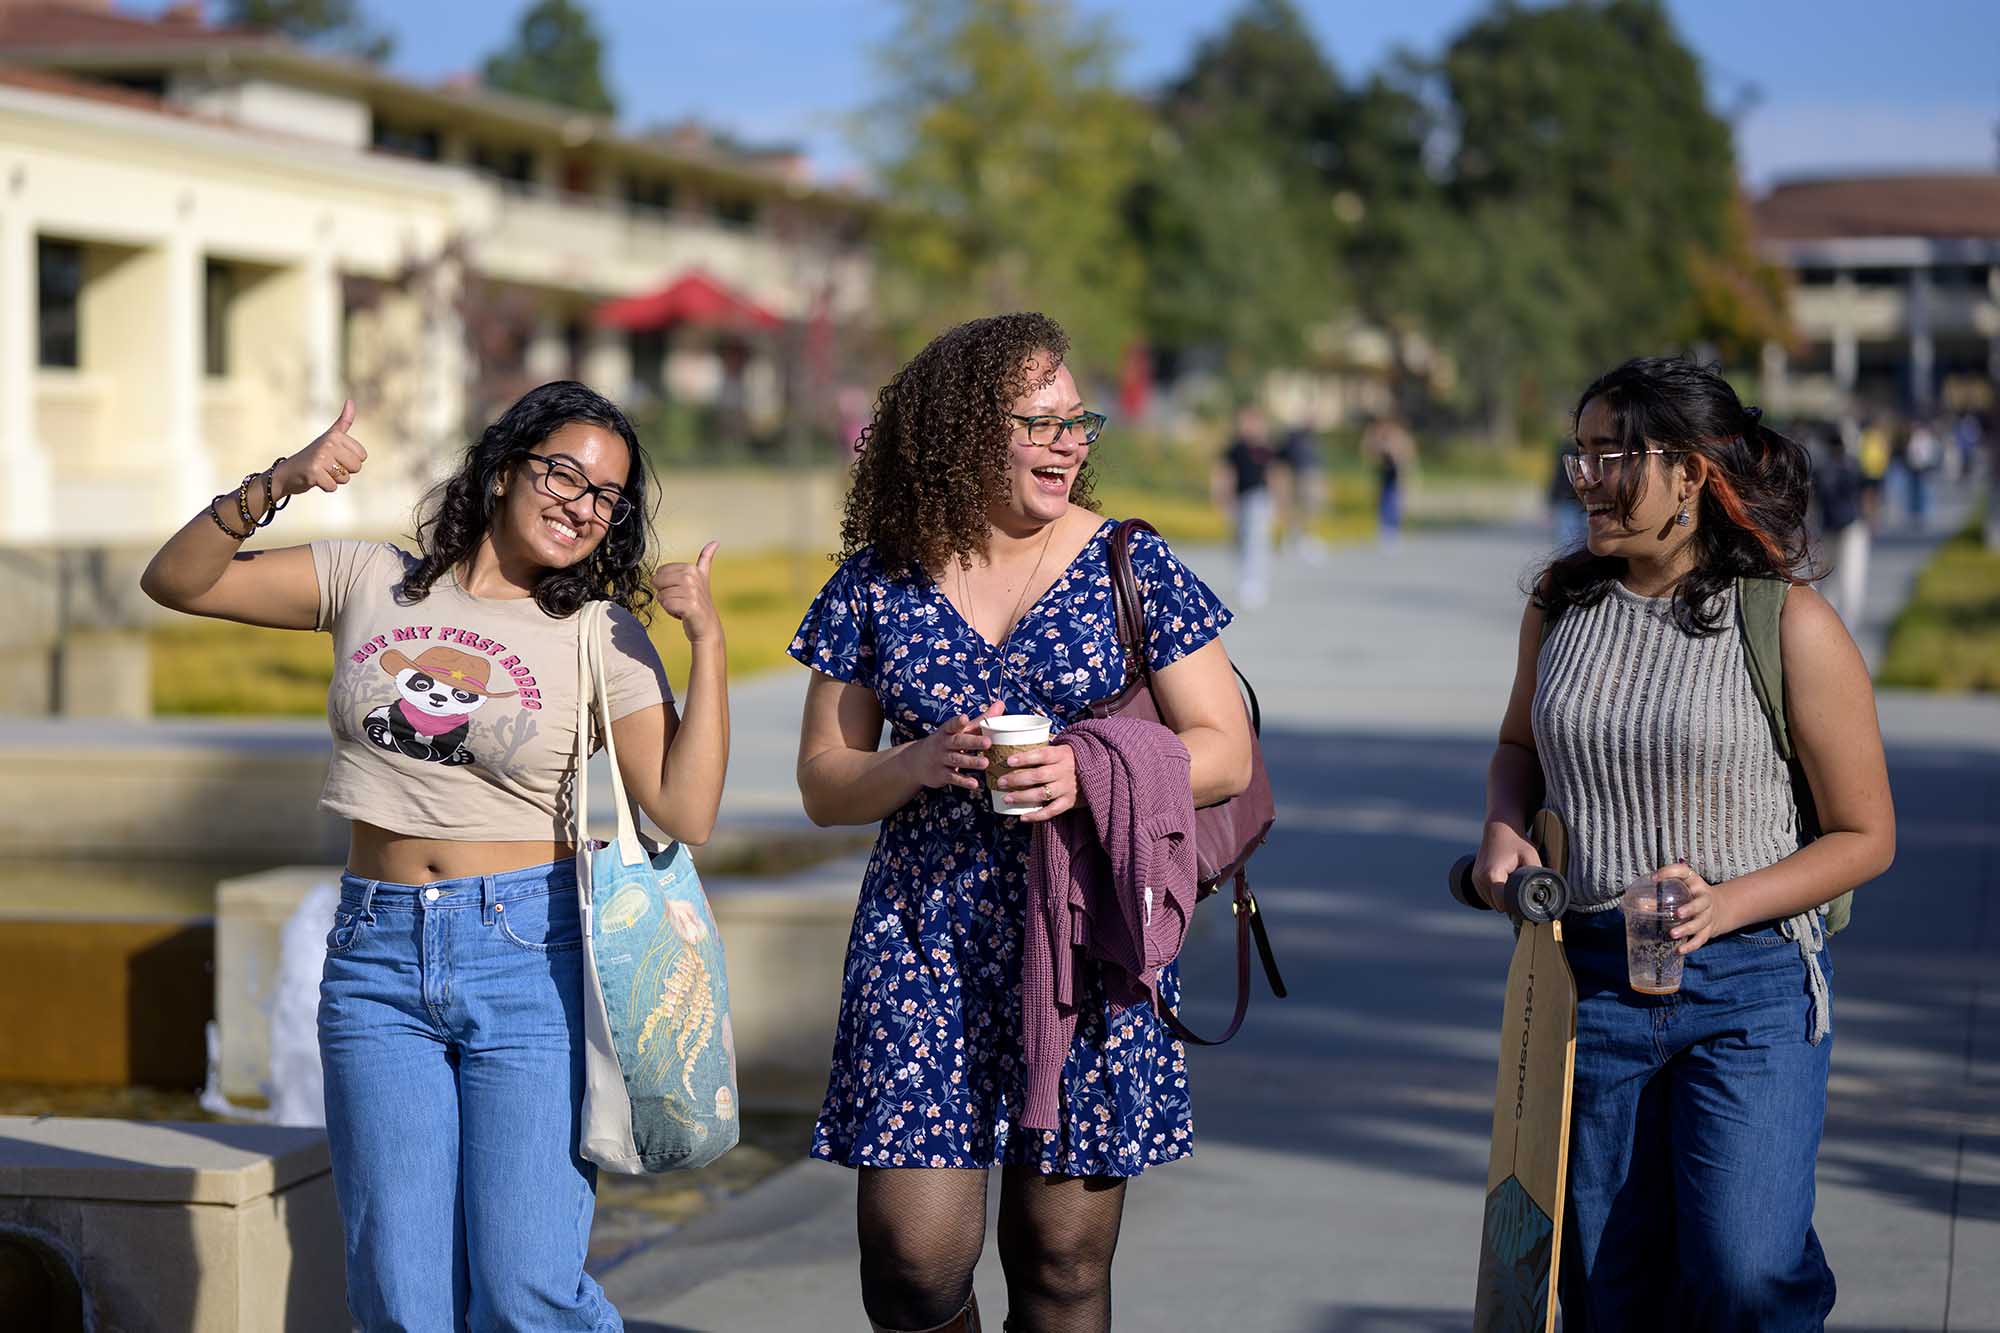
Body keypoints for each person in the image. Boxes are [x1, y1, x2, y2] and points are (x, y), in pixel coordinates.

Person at [140, 382, 730, 1331]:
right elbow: (180, 581)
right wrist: (282, 480)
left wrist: (705, 640)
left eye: (606, 495)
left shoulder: (599, 632)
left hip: (530, 956)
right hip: (373, 958)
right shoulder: (368, 577)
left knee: (525, 1289)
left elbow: (685, 808)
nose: (583, 503)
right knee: (400, 1295)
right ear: (503, 472)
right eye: (564, 473)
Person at [790, 312, 1253, 1333]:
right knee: (910, 1266)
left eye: (1076, 420)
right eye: (1036, 421)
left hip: (1089, 935)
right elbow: (823, 782)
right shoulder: (877, 580)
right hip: (924, 937)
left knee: (1061, 1266)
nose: (1069, 440)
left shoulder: (1132, 560)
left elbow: (1223, 750)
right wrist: (911, 762)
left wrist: (1090, 772)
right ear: (960, 432)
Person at [1473, 357, 1894, 1330]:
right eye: (1576, 455)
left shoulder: (1787, 621)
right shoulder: (1561, 603)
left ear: (1690, 474)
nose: (1584, 480)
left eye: (1609, 456)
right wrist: (1501, 833)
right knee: (1605, 1288)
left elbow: (1865, 834)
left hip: (1746, 986)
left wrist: (1727, 902)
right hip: (1587, 985)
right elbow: (1514, 749)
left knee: (1743, 1272)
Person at [1213, 403, 1278, 607]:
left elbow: (1274, 475)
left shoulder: (1266, 448)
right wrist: (1221, 496)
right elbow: (1224, 473)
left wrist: (1278, 501)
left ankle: (1254, 583)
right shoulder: (1235, 448)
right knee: (1240, 540)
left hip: (1258, 497)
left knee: (1256, 540)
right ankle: (1244, 579)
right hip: (1239, 498)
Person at [1811, 427, 1869, 627]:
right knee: (1850, 577)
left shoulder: (1820, 469)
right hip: (1852, 526)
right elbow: (1865, 494)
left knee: (1826, 578)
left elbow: (1813, 501)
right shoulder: (1852, 466)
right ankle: (1847, 624)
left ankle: (1826, 622)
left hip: (1828, 527)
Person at [1277, 421, 1330, 563]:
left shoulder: (1311, 439)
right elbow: (1283, 458)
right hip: (1301, 475)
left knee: (1310, 510)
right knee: (1301, 510)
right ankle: (1296, 539)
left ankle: (1301, 538)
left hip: (1308, 475)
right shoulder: (1295, 437)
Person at [1360, 412, 1416, 546]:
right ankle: (1385, 528)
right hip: (1384, 472)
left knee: (1395, 499)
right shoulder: (1378, 435)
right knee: (1383, 499)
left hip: (1397, 472)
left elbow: (1407, 453)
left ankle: (1393, 528)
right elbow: (1367, 450)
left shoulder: (1399, 435)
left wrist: (1397, 455)